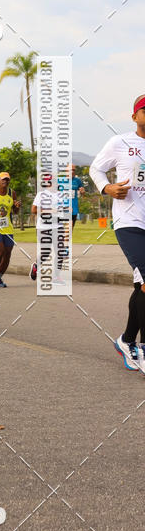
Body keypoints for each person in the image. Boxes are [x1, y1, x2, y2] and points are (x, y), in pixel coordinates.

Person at [90, 95, 145, 372]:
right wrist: (106, 188)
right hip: (129, 221)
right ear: (134, 116)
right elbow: (96, 168)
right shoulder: (120, 143)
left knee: (142, 286)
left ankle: (126, 341)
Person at [71, 164, 86, 230]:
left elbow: (83, 194)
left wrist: (83, 192)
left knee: (70, 230)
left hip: (74, 209)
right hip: (63, 209)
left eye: (73, 170)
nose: (72, 171)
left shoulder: (77, 181)